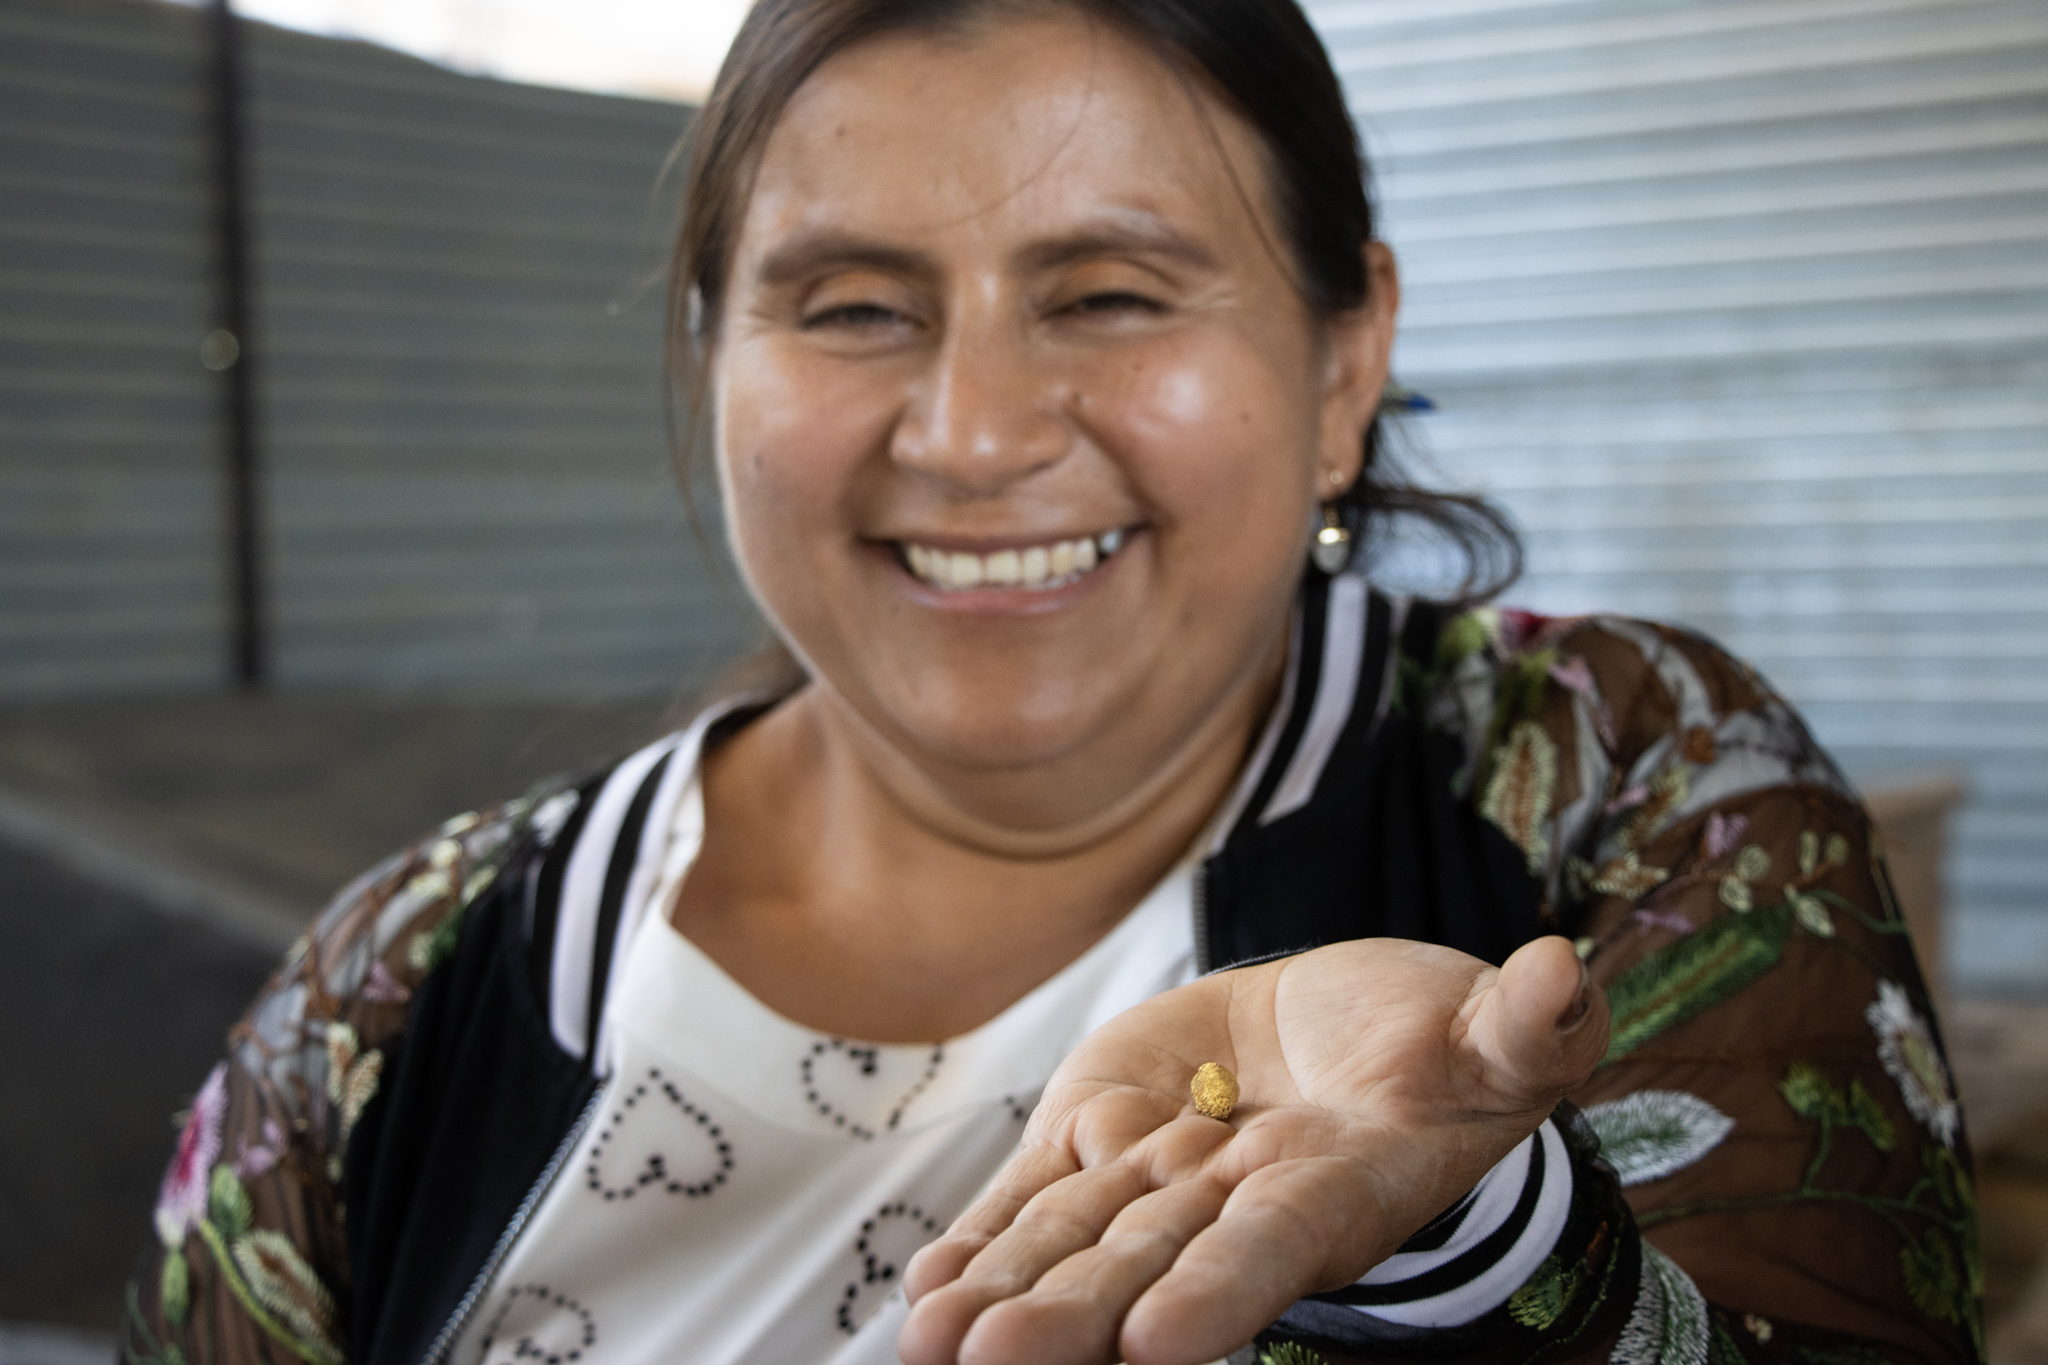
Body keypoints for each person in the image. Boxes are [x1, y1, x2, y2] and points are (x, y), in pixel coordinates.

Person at [119, 1, 1982, 1363]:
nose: (975, 433)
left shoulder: (1621, 776)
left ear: (1347, 362)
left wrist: (1481, 1242)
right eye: (851, 305)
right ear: (713, 361)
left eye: (1109, 292)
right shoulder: (401, 987)